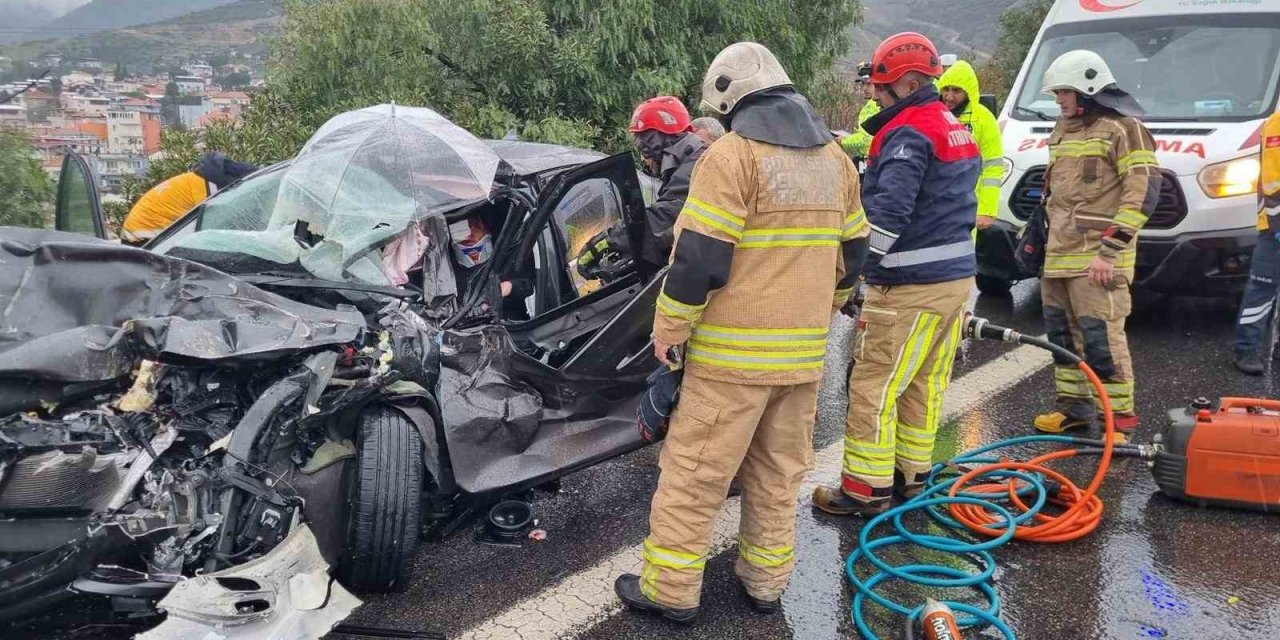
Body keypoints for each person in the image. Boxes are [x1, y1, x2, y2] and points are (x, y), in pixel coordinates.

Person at [614, 41, 869, 622]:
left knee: (695, 475)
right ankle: (764, 583)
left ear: (728, 101)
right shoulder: (834, 160)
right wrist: (822, 314)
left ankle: (671, 591)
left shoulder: (732, 158)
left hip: (730, 362)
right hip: (802, 360)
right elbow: (855, 254)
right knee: (779, 476)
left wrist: (671, 329)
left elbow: (699, 257)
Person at [812, 32, 980, 517]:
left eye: (880, 90)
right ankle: (913, 478)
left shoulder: (908, 132)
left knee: (874, 389)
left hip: (910, 287)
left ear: (906, 84)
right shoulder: (951, 124)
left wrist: (851, 278)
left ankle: (864, 490)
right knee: (922, 385)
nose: (873, 97)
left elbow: (886, 219)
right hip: (953, 282)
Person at [1030, 50, 1159, 442]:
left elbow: (1144, 192)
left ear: (1087, 89)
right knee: (1063, 337)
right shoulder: (1063, 128)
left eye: (1064, 93)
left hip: (1098, 259)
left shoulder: (1124, 129)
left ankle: (1118, 421)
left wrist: (1109, 252)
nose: (1059, 101)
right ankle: (1075, 412)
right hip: (1059, 255)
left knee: (1102, 338)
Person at [576, 97, 707, 278]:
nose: (639, 144)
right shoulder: (684, 163)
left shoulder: (697, 164)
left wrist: (608, 241)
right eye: (637, 137)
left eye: (646, 136)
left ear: (669, 132)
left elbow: (666, 218)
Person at [1229, 111, 1280, 375]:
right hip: (1276, 224)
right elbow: (1273, 182)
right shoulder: (1277, 125)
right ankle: (1246, 348)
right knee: (1263, 287)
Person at [121, 152, 258, 244]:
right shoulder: (206, 188)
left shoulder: (198, 179)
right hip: (143, 241)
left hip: (140, 234)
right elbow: (212, 229)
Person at [938, 60, 1003, 231]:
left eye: (957, 91)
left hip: (968, 207)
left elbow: (993, 167)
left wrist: (987, 210)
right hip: (936, 205)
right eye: (946, 89)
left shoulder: (983, 119)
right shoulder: (935, 115)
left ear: (969, 91)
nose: (949, 97)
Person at [839, 62, 880, 161]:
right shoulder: (876, 104)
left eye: (869, 84)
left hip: (871, 159)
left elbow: (866, 138)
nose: (864, 88)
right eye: (862, 84)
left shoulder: (873, 106)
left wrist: (844, 141)